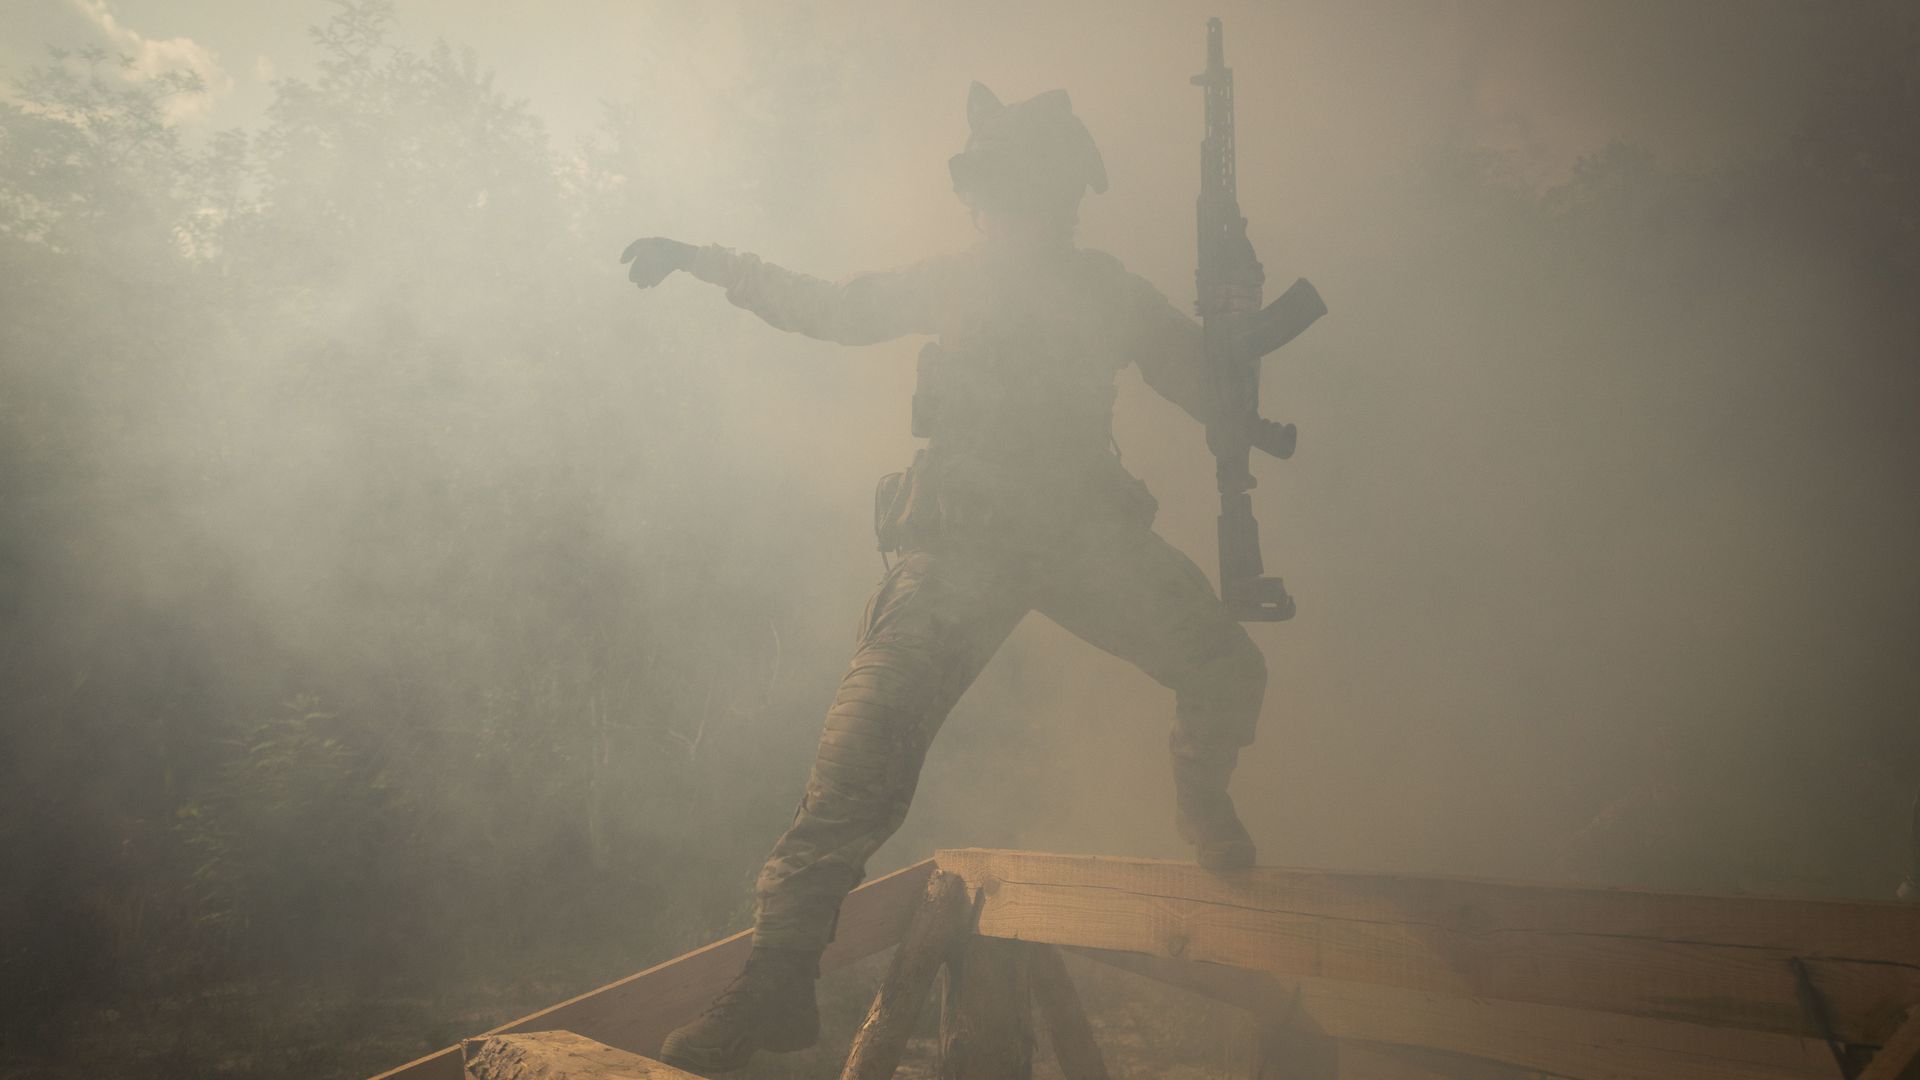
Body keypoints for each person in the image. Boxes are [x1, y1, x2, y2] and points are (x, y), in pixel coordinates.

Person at [624, 83, 1271, 1073]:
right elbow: (833, 308)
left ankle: (1202, 799)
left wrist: (1238, 350)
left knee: (1227, 666)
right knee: (853, 770)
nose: (1014, 210)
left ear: (1061, 199)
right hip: (963, 546)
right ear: (985, 201)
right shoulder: (960, 281)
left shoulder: (1107, 291)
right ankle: (774, 986)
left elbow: (1207, 387)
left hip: (1078, 536)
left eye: (1034, 190)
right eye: (1001, 190)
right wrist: (711, 263)